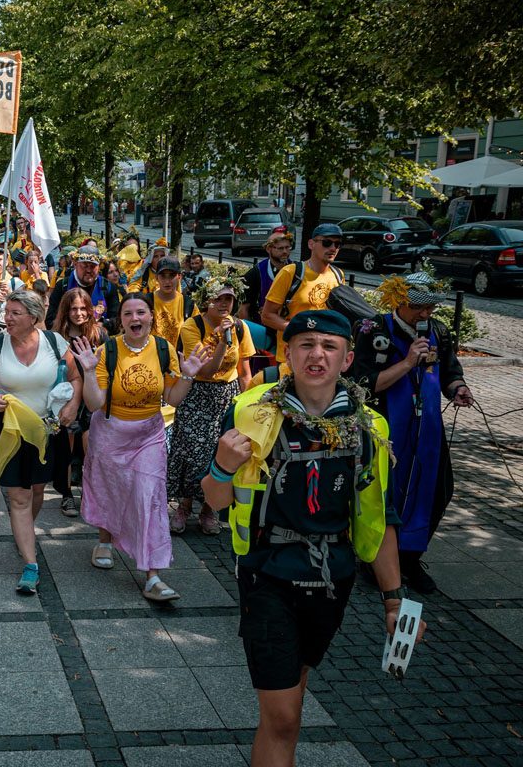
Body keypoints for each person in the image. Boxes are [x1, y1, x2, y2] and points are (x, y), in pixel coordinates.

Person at [201, 310, 420, 767]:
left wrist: (394, 601)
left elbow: (379, 520)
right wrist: (221, 466)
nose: (316, 354)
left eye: (329, 346)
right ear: (288, 353)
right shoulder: (251, 411)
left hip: (332, 578)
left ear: (347, 358)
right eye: (306, 344)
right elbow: (217, 501)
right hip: (267, 574)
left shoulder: (369, 428)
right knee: (282, 716)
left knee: (292, 701)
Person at [71, 293, 209, 602]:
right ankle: (104, 541)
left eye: (141, 312)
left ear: (150, 317)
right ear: (120, 320)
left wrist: (188, 374)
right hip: (110, 434)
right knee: (112, 489)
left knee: (150, 497)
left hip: (149, 435)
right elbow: (94, 403)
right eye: (128, 314)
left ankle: (153, 575)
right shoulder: (107, 351)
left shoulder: (164, 349)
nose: (135, 318)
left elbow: (172, 400)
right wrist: (90, 371)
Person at [352, 272, 474, 594]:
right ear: (399, 302)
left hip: (428, 429)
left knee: (438, 490)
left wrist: (457, 387)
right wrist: (407, 362)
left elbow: (449, 370)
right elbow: (363, 383)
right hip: (387, 428)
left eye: (430, 307)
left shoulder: (438, 331)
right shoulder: (372, 329)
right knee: (386, 495)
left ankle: (410, 558)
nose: (425, 314)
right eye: (418, 307)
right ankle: (374, 558)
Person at [0, 290, 82, 595]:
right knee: (18, 497)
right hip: (10, 433)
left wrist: (72, 405)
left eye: (15, 313)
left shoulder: (54, 343)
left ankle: (24, 536)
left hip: (47, 432)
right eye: (6, 312)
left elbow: (75, 378)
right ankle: (31, 565)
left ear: (33, 317)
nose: (7, 318)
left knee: (36, 490)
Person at [168, 275, 253, 535]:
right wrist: (222, 341)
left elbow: (244, 370)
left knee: (219, 451)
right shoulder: (191, 327)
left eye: (229, 298)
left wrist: (245, 403)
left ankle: (209, 509)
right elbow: (205, 371)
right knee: (192, 451)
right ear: (207, 301)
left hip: (226, 395)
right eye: (219, 298)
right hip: (197, 394)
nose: (225, 304)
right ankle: (184, 505)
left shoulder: (240, 327)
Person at [49, 287, 108, 517]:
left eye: (83, 308)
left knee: (90, 447)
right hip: (66, 397)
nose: (79, 313)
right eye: (74, 308)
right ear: (66, 310)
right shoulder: (57, 336)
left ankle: (89, 493)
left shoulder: (99, 334)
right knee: (65, 446)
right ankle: (66, 495)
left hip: (93, 398)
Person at [261, 224, 344, 375]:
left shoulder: (338, 275)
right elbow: (267, 316)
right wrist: (301, 329)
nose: (333, 248)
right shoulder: (291, 272)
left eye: (337, 244)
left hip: (323, 359)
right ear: (311, 244)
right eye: (327, 243)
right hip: (292, 359)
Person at [46, 245, 121, 333]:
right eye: (84, 265)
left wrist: (101, 326)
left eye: (93, 266)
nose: (89, 270)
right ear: (75, 264)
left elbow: (116, 322)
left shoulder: (108, 287)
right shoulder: (62, 286)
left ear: (99, 267)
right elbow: (50, 321)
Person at [240, 233, 294, 321]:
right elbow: (244, 307)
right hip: (263, 328)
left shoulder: (297, 270)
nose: (285, 251)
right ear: (268, 249)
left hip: (289, 326)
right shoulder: (257, 272)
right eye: (280, 248)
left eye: (287, 247)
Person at [149, 257, 198, 344]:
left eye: (171, 275)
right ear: (156, 277)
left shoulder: (188, 305)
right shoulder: (147, 301)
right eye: (163, 276)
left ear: (179, 276)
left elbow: (196, 334)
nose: (167, 281)